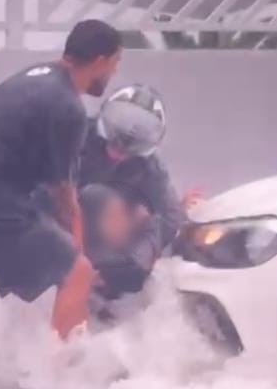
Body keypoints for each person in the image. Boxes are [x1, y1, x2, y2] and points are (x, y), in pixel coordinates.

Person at [0, 19, 123, 338]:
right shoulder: (68, 107)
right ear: (101, 61)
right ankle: (62, 371)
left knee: (51, 271)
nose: (114, 73)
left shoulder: (41, 77)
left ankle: (14, 351)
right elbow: (65, 198)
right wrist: (79, 252)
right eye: (115, 64)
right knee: (77, 272)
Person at [75, 84, 193, 299]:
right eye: (117, 135)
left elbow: (170, 218)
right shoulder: (72, 137)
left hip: (105, 246)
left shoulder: (149, 168)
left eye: (132, 143)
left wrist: (134, 262)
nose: (121, 146)